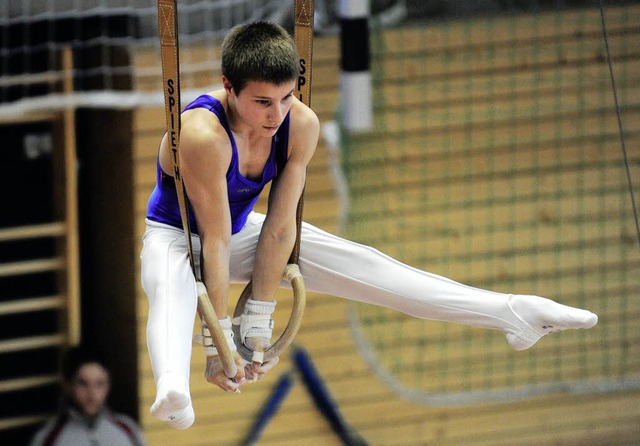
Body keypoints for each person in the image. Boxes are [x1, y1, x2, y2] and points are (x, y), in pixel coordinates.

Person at [141, 21, 598, 430]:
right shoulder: (202, 135)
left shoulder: (299, 124)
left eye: (286, 97)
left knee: (368, 267)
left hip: (241, 233)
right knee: (171, 287)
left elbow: (280, 229)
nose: (276, 115)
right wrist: (218, 341)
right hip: (178, 236)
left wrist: (257, 317)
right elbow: (212, 244)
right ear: (228, 87)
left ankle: (511, 313)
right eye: (262, 102)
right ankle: (173, 392)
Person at [30, 346, 146, 446]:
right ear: (68, 385)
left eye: (99, 384)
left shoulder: (128, 430)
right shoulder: (49, 438)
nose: (92, 394)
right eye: (83, 384)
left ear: (109, 385)